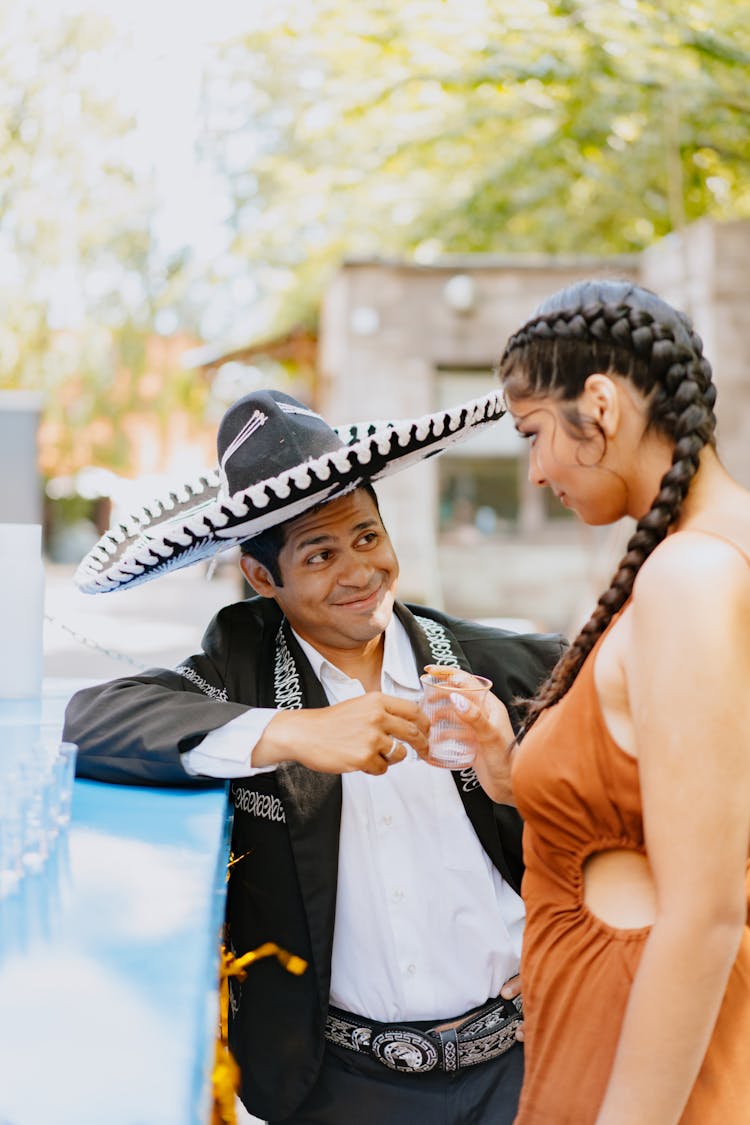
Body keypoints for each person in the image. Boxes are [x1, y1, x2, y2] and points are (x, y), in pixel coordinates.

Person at [64, 388, 565, 1125]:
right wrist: (291, 733)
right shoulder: (239, 670)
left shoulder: (505, 664)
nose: (359, 571)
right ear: (264, 577)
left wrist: (576, 931)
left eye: (367, 537)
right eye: (320, 553)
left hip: (523, 1065)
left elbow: (633, 790)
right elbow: (92, 719)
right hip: (341, 1089)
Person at [481, 279, 750, 1124]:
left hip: (639, 1057)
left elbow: (705, 911)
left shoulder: (688, 576)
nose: (535, 472)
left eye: (535, 435)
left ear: (598, 403)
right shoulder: (709, 552)